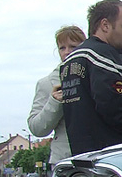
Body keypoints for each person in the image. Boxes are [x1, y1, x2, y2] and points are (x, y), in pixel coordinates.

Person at [60, 0, 122, 155]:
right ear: (105, 25)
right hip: (116, 154)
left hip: (84, 156)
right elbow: (115, 106)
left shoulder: (70, 62)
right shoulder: (102, 56)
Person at [28, 25, 87, 165]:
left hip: (98, 156)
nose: (67, 52)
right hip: (65, 160)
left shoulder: (96, 77)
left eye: (73, 47)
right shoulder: (47, 84)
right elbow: (37, 128)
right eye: (62, 48)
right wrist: (54, 102)